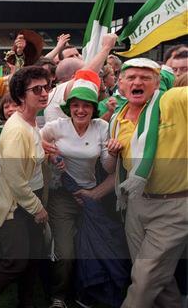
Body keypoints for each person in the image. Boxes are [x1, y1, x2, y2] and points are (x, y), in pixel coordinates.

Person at [41, 69, 129, 308]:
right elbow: (34, 141)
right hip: (63, 196)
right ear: (69, 107)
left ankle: (85, 291)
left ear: (94, 108)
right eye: (76, 105)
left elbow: (109, 169)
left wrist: (112, 154)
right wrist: (48, 153)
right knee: (66, 252)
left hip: (92, 196)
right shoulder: (56, 126)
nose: (81, 110)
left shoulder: (101, 127)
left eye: (86, 106)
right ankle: (58, 296)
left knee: (92, 247)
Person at [108, 58, 187, 308]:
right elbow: (113, 168)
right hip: (136, 205)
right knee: (157, 278)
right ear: (120, 83)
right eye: (131, 77)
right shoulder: (116, 120)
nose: (138, 82)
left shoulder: (171, 101)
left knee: (144, 279)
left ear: (158, 82)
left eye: (145, 77)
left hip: (173, 207)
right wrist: (111, 154)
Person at [0, 66, 51, 308]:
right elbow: (14, 178)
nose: (44, 93)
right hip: (17, 204)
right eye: (37, 89)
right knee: (16, 261)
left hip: (30, 199)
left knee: (32, 258)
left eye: (46, 87)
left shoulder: (31, 123)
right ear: (21, 95)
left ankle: (26, 302)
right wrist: (37, 208)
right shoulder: (17, 129)